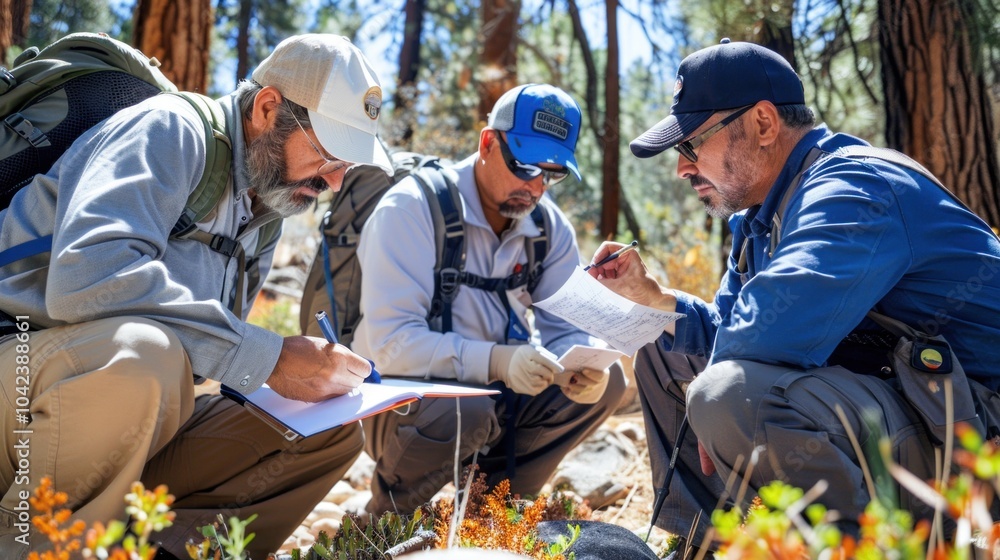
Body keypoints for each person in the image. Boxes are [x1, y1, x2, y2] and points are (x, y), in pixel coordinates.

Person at [588, 39, 1000, 547]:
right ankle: (707, 544)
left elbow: (769, 333)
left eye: (691, 144)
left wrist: (709, 402)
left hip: (977, 431)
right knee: (663, 349)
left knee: (726, 395)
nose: (683, 167)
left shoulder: (853, 186)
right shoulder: (763, 218)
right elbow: (733, 329)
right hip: (919, 407)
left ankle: (859, 550)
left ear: (762, 123)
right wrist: (656, 300)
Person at [0, 34, 391, 559]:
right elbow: (86, 279)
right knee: (145, 354)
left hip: (126, 411)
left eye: (350, 165)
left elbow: (204, 359)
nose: (337, 181)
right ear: (268, 108)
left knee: (328, 431)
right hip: (24, 381)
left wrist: (297, 378)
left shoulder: (265, 212)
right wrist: (270, 358)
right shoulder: (168, 129)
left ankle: (164, 551)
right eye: (329, 154)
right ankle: (35, 544)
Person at [352, 83, 628, 515]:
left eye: (552, 174)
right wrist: (498, 362)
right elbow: (391, 347)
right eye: (524, 166)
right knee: (467, 406)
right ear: (487, 142)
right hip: (399, 401)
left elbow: (566, 332)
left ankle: (492, 510)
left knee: (609, 381)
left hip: (497, 394)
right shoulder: (410, 210)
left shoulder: (550, 231)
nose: (537, 187)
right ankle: (388, 518)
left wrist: (581, 368)